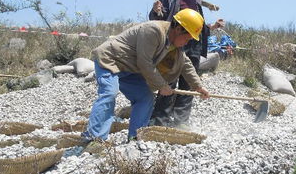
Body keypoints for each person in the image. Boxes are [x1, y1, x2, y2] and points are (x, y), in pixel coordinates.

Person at [81, 8, 210, 142]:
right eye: (187, 38)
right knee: (109, 93)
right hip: (111, 60)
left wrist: (198, 87)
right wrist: (162, 86)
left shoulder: (173, 43)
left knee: (145, 98)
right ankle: (93, 139)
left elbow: (185, 63)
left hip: (130, 69)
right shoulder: (153, 31)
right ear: (178, 29)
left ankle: (136, 137)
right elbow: (145, 63)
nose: (187, 42)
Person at [149, 0, 225, 128]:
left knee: (189, 84)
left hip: (194, 47)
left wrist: (213, 27)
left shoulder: (197, 2)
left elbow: (199, 27)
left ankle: (181, 122)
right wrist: (156, 10)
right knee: (169, 81)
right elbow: (158, 17)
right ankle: (159, 122)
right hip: (176, 45)